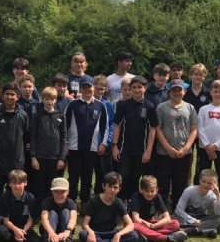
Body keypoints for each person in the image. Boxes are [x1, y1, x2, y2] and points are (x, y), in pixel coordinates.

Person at [112, 75, 158, 203]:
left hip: (141, 151)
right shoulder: (124, 105)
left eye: (139, 87)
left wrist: (148, 151)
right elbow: (117, 126)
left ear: (145, 88)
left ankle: (133, 204)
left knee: (135, 178)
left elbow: (152, 130)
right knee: (123, 177)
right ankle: (121, 203)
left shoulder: (150, 106)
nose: (136, 90)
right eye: (134, 87)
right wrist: (114, 146)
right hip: (124, 150)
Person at [65, 77, 108, 214]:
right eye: (84, 88)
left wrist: (103, 143)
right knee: (73, 177)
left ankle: (84, 202)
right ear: (81, 90)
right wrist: (65, 143)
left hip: (92, 147)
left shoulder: (100, 106)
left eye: (89, 88)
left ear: (93, 88)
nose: (87, 90)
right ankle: (71, 202)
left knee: (87, 177)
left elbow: (105, 127)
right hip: (74, 147)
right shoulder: (73, 105)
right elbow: (65, 125)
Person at [154, 79, 198, 210]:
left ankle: (178, 208)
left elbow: (194, 130)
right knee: (163, 181)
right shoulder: (161, 107)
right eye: (174, 90)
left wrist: (186, 148)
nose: (177, 93)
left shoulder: (190, 108)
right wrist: (167, 148)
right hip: (164, 152)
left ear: (184, 91)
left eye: (179, 90)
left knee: (181, 181)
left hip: (183, 152)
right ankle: (161, 208)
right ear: (169, 92)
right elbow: (157, 129)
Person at [79, 172, 138, 242]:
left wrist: (118, 235)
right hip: (96, 233)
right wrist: (91, 233)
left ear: (119, 189)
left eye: (115, 187)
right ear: (104, 186)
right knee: (83, 234)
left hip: (111, 233)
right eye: (109, 186)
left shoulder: (118, 202)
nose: (112, 190)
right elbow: (85, 224)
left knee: (134, 235)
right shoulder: (93, 201)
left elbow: (131, 225)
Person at [0, 83, 29, 201]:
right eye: (7, 94)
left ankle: (14, 211)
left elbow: (26, 137)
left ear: (17, 97)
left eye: (12, 94)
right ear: (2, 96)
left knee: (15, 192)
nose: (9, 97)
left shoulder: (23, 115)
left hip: (17, 162)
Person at [30, 87, 67, 206]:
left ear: (55, 100)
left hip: (55, 158)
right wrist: (33, 157)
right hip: (40, 157)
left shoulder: (60, 116)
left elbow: (63, 138)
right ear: (42, 99)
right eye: (47, 99)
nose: (49, 101)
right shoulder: (37, 116)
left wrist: (62, 158)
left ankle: (51, 209)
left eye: (52, 99)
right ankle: (39, 210)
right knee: (39, 186)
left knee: (53, 186)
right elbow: (33, 136)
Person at [0, 169, 41, 242]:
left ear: (25, 183)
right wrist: (16, 230)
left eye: (20, 183)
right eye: (14, 183)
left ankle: (17, 240)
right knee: (1, 233)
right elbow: (6, 220)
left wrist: (23, 232)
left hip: (24, 227)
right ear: (10, 184)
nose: (17, 186)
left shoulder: (30, 198)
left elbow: (30, 220)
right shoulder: (4, 198)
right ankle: (19, 241)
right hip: (10, 226)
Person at [130, 176, 185, 242]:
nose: (150, 194)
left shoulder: (157, 197)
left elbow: (167, 219)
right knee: (134, 227)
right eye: (147, 191)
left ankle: (148, 235)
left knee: (175, 224)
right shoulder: (136, 197)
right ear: (140, 189)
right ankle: (168, 237)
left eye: (152, 191)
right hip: (139, 224)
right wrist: (148, 225)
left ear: (156, 190)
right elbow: (136, 219)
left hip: (151, 224)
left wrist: (153, 226)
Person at [173, 169, 220, 238]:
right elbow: (178, 210)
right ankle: (206, 230)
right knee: (174, 220)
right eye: (203, 181)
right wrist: (193, 221)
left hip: (200, 218)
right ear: (199, 180)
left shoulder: (213, 195)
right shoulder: (189, 191)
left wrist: (218, 195)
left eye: (209, 183)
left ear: (215, 184)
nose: (205, 185)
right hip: (185, 217)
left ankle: (190, 230)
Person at [40, 177, 77, 242]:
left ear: (67, 192)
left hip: (65, 231)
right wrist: (51, 232)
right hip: (51, 231)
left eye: (62, 192)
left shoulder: (71, 203)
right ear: (52, 192)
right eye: (56, 191)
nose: (59, 195)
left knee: (65, 212)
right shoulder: (47, 202)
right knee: (52, 213)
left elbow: (73, 218)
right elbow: (44, 218)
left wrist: (67, 231)